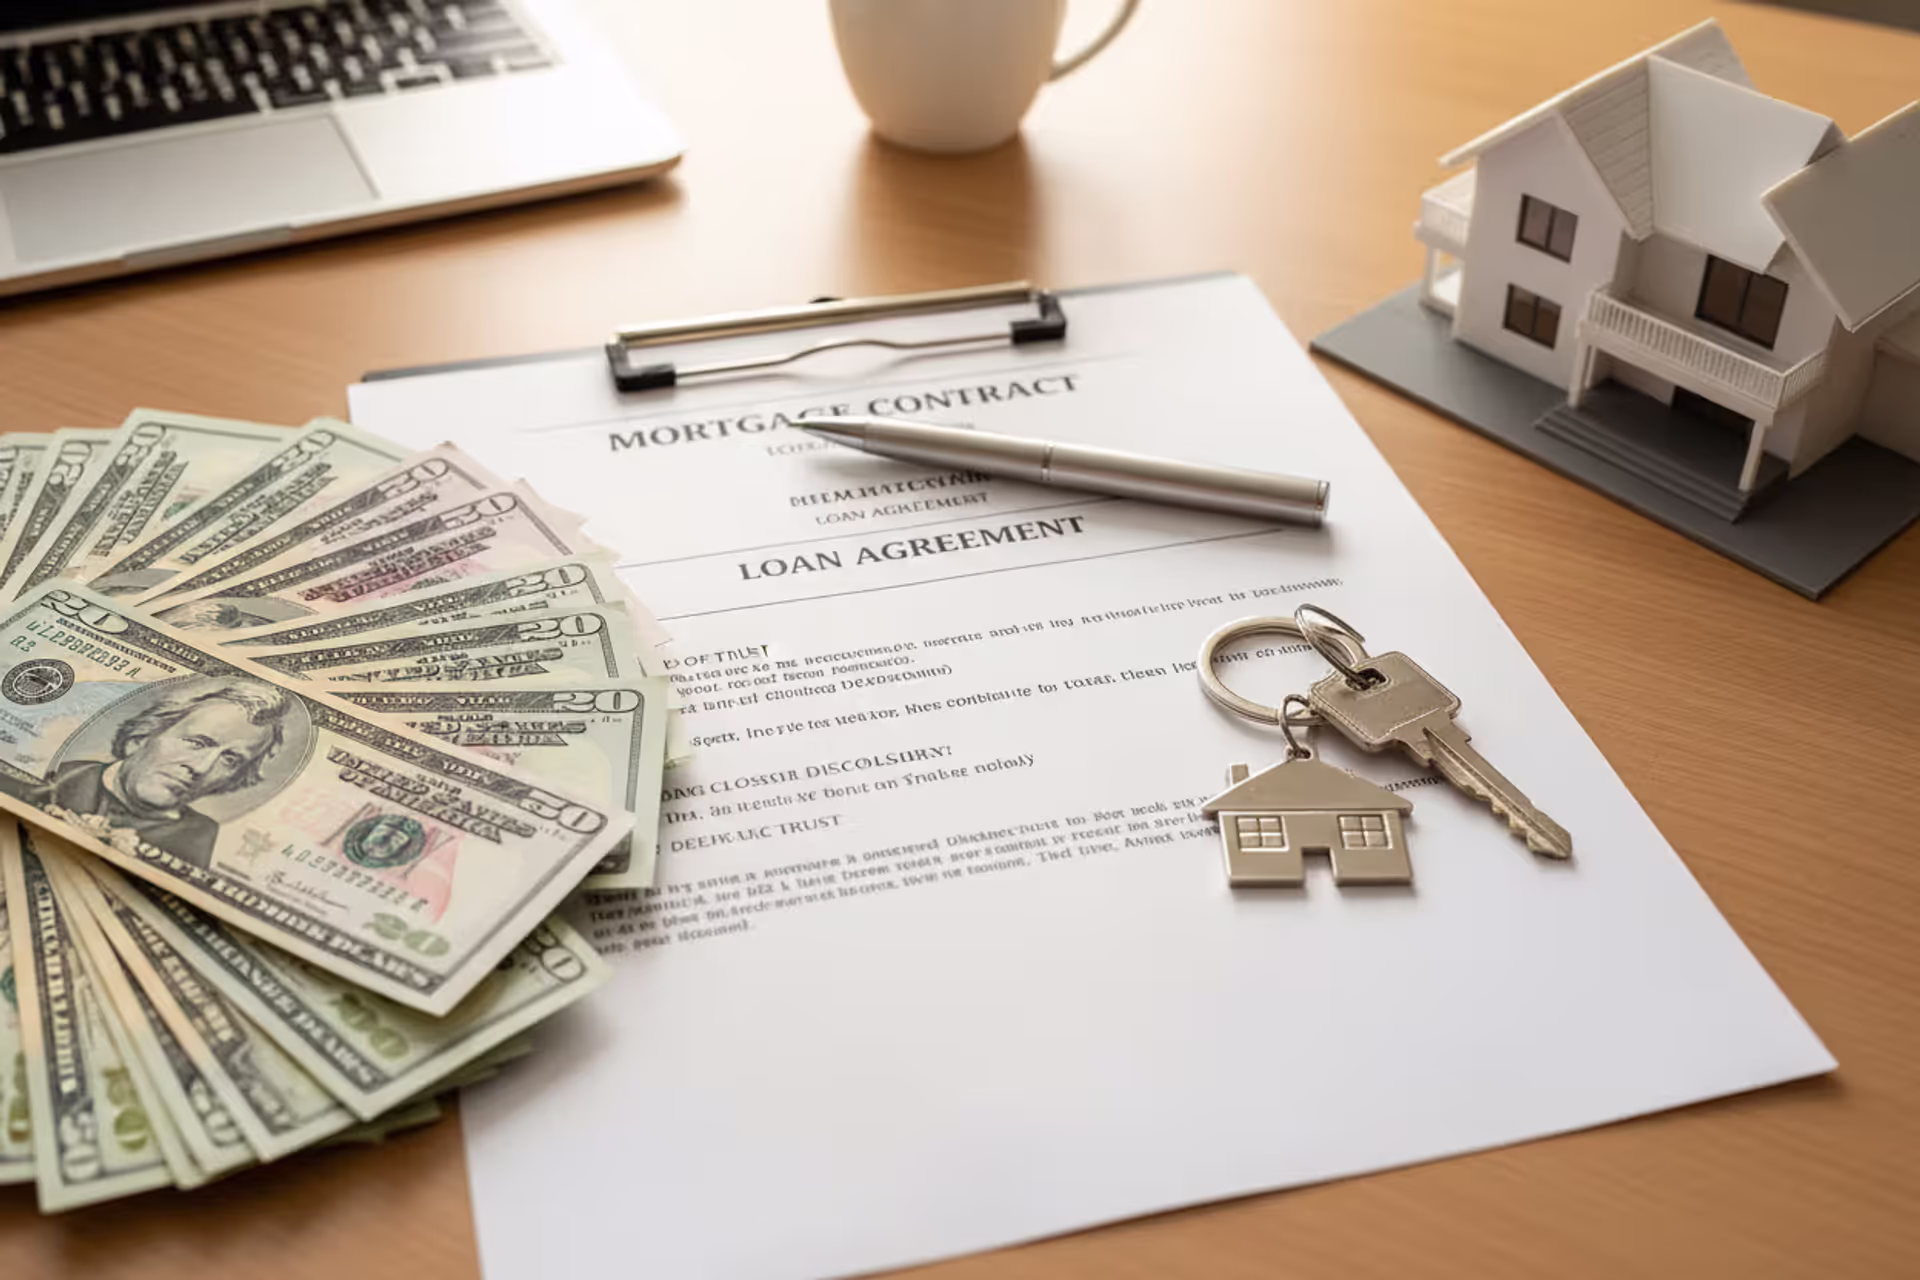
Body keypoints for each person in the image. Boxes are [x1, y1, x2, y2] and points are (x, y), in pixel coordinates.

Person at [30, 680, 294, 870]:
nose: (202, 768)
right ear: (142, 737)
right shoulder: (50, 778)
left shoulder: (199, 841)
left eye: (230, 759)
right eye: (198, 743)